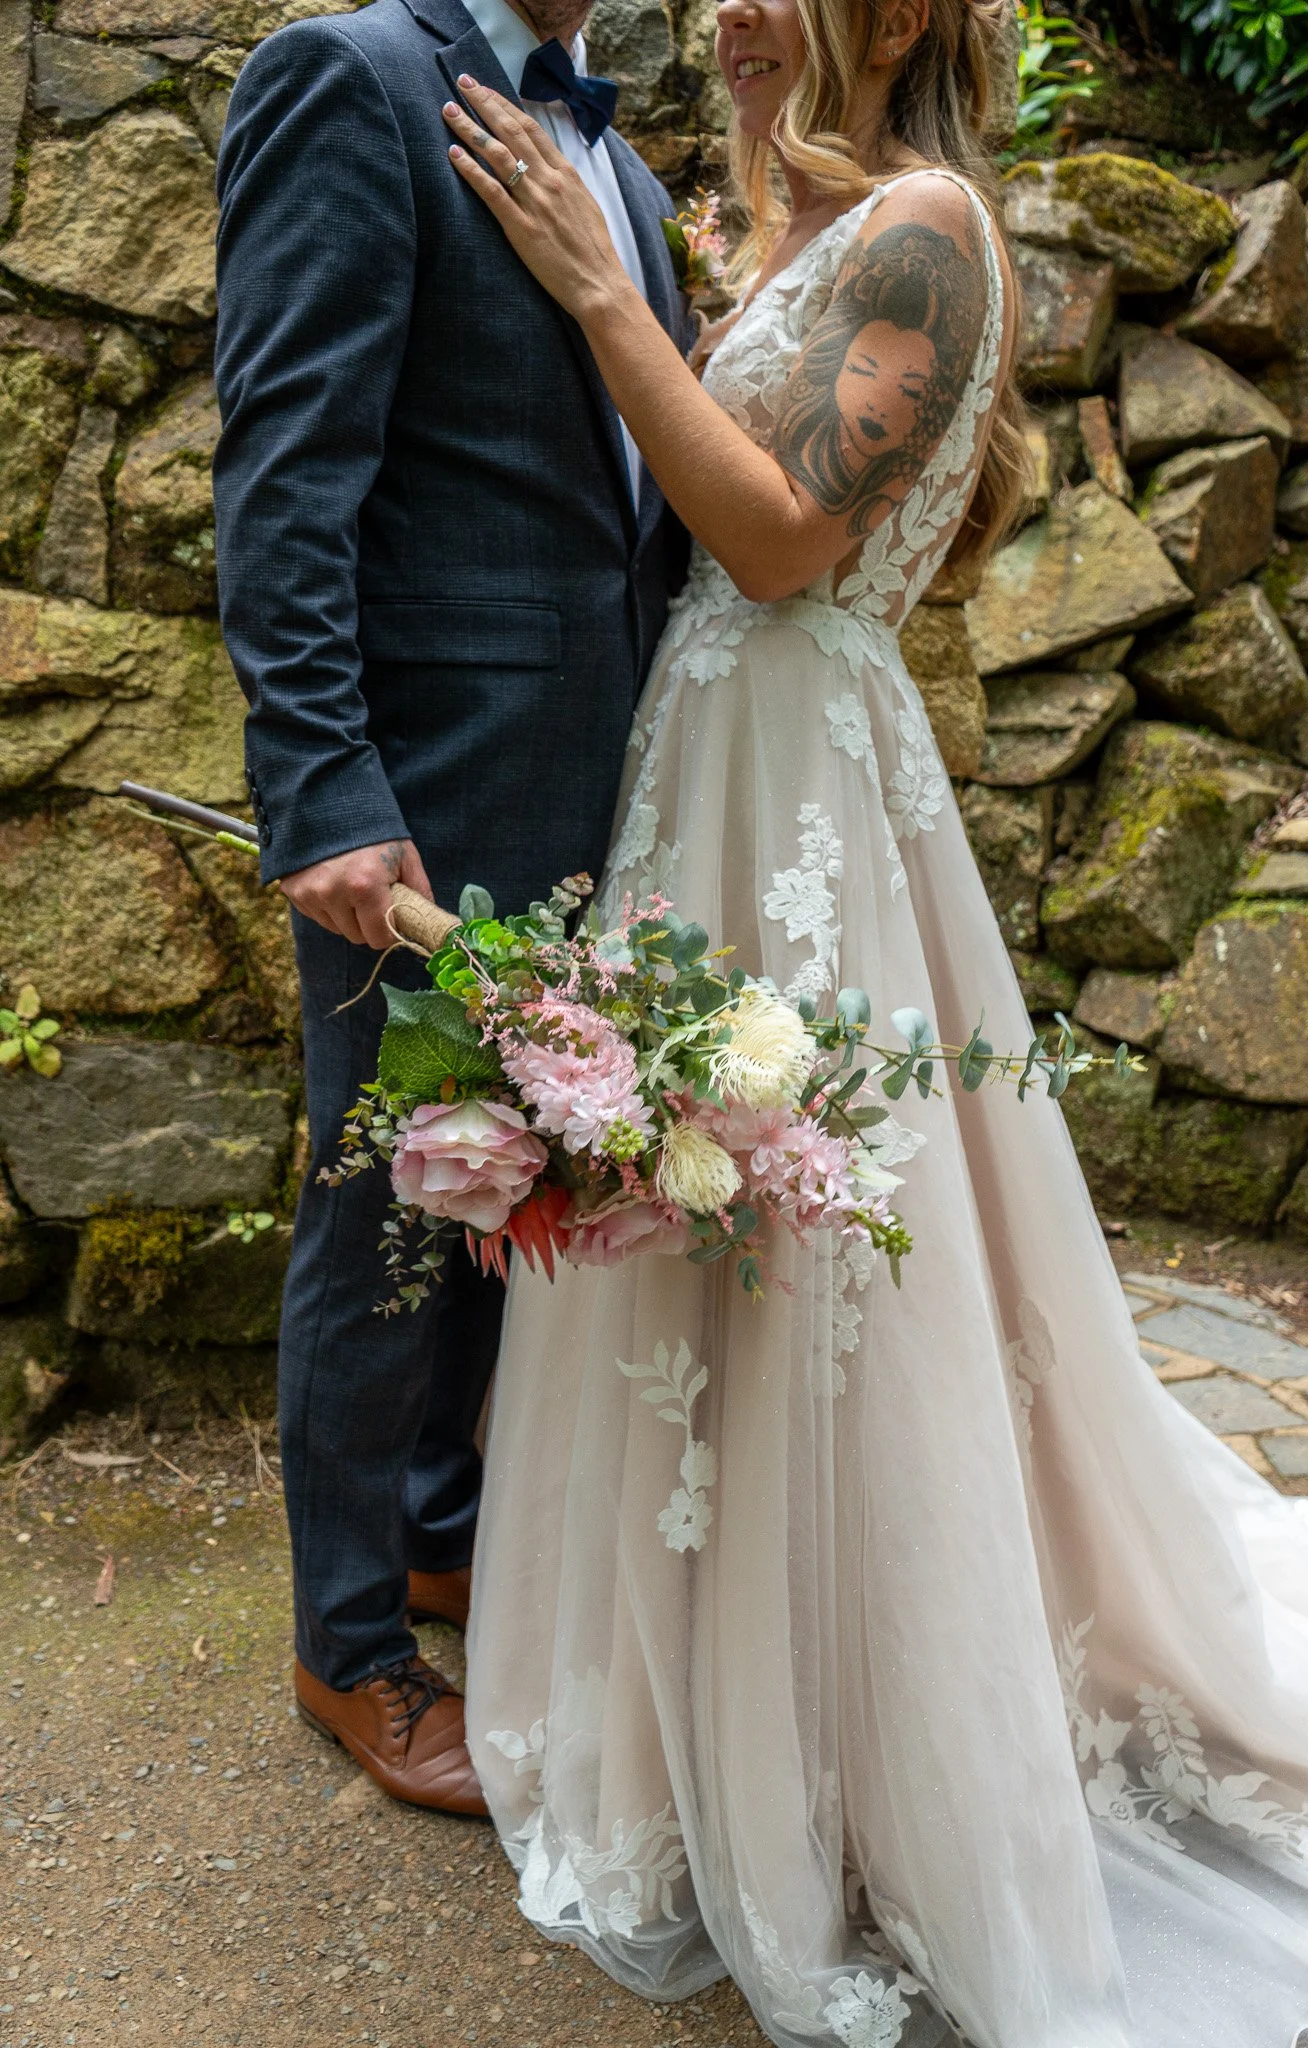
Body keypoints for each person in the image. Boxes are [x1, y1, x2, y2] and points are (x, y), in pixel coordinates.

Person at [442, 0, 1308, 2041]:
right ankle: (720, 1711)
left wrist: (608, 301)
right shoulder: (803, 225)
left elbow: (777, 537)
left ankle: (873, 1744)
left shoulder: (932, 226)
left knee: (813, 1234)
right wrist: (721, 218)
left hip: (797, 778)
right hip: (713, 759)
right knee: (712, 1217)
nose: (732, 11)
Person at [212, 0, 690, 1814]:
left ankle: (433, 1539)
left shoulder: (624, 165)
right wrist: (323, 784)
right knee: (383, 1212)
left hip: (607, 773)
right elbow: (286, 456)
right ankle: (347, 1653)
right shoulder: (348, 73)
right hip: (420, 791)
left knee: (522, 1188)